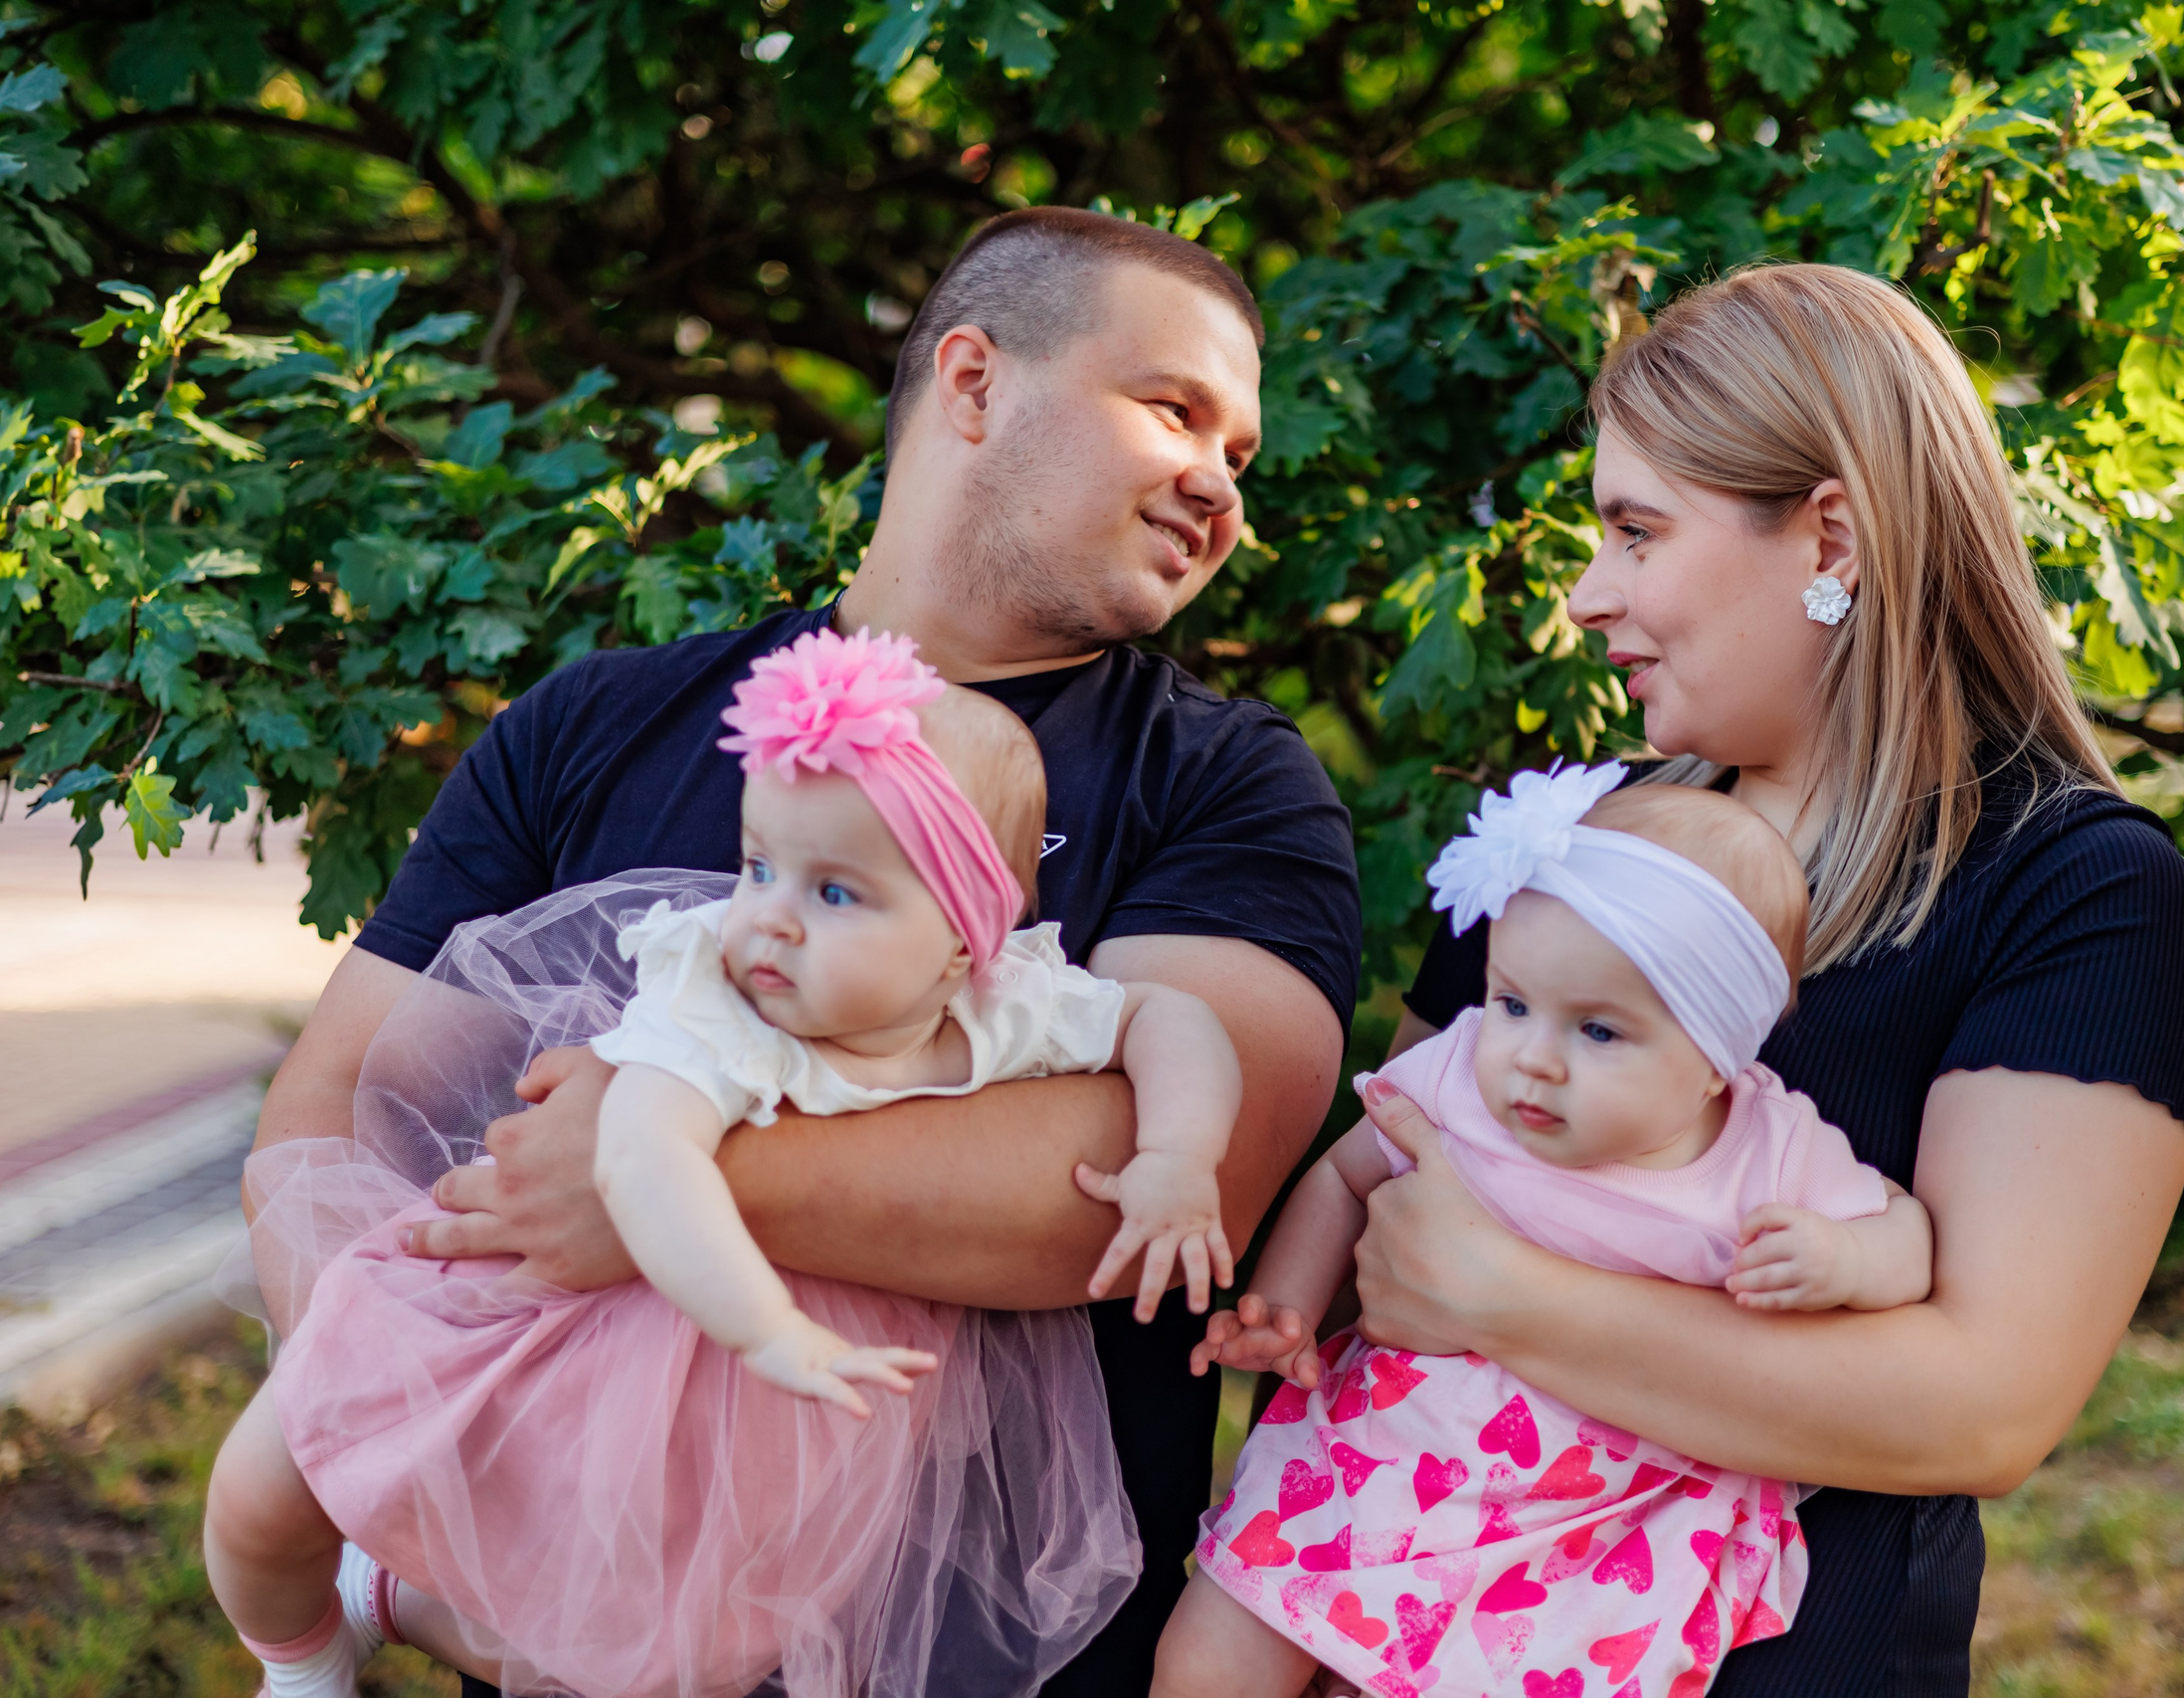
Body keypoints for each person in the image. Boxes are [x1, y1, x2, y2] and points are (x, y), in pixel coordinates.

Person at [244, 207, 1363, 1695]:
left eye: (1244, 455)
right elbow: (333, 1118)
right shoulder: (596, 724)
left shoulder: (1228, 784)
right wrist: (448, 1513)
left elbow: (1152, 1185)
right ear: (974, 380)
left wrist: (650, 1181)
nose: (1220, 483)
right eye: (1175, 409)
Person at [1344, 263, 2184, 1697]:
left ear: (1830, 533)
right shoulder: (1571, 840)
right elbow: (1401, 1189)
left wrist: (1506, 1294)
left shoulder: (2076, 890)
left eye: (1636, 531)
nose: (1586, 596)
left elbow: (1979, 1404)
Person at [208, 631, 1252, 1698]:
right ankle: (298, 1663)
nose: (768, 919)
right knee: (265, 1491)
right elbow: (644, 1162)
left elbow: (1169, 1018)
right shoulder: (719, 1007)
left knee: (676, 1662)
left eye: (836, 893)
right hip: (583, 1307)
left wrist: (1178, 1153)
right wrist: (770, 1330)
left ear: (964, 940)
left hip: (780, 1388)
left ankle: (394, 1598)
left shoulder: (1008, 1006)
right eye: (760, 866)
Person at [1157, 775, 1935, 1698]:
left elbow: (1906, 1229)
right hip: (1385, 1457)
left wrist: (1844, 1256)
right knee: (1209, 1659)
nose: (1532, 1054)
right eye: (1514, 1002)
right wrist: (1285, 1299)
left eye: (1598, 1029)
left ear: (1715, 1054)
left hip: (1584, 1521)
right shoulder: (1461, 1071)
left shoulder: (1764, 1153)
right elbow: (1345, 1169)